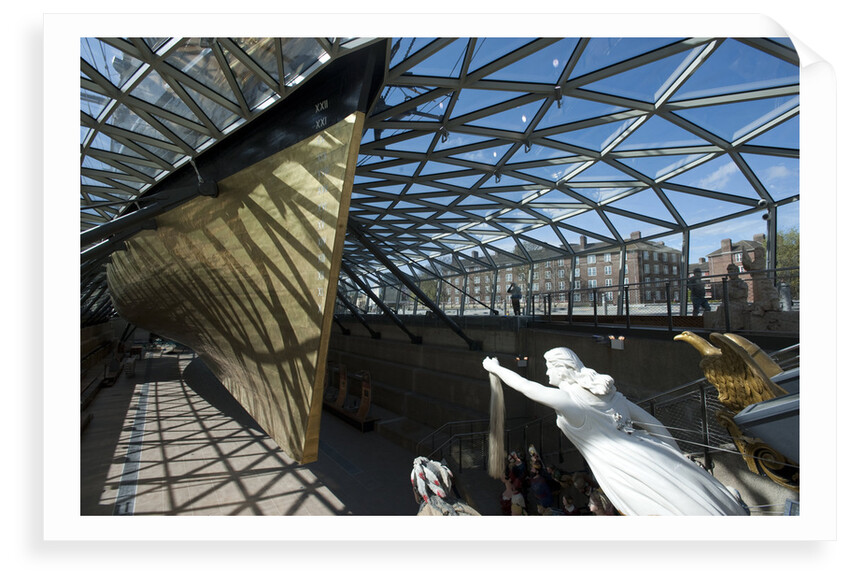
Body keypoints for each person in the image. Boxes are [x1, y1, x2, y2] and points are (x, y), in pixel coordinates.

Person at [482, 348, 749, 515]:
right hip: (652, 453)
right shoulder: (612, 396)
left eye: (550, 367)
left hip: (620, 465)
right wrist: (676, 457)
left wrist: (495, 368)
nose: (546, 372)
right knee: (684, 496)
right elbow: (655, 425)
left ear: (562, 371)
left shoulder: (571, 402)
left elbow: (527, 387)